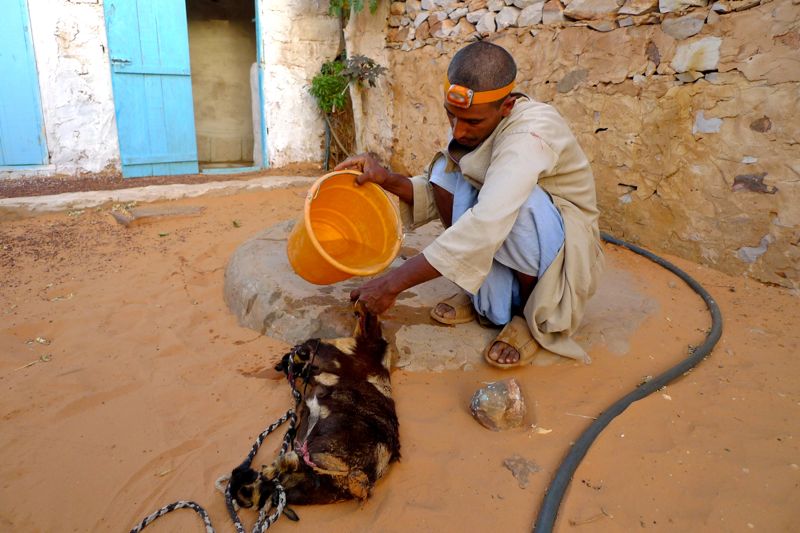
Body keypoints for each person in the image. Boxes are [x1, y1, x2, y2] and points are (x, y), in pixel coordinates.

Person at [335, 41, 603, 367]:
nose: (459, 130)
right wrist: (386, 179)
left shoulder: (531, 134)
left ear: (505, 108)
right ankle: (477, 292)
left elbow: (488, 221)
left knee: (522, 204)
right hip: (507, 241)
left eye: (472, 122)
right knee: (446, 170)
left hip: (558, 253)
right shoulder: (474, 127)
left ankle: (527, 316)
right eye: (452, 117)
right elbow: (435, 192)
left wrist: (391, 285)